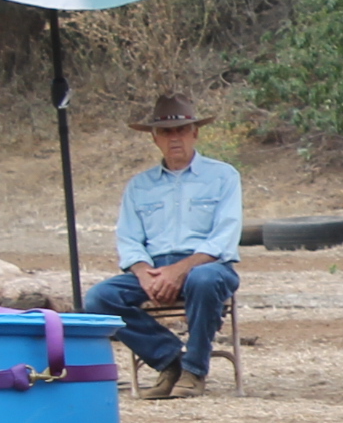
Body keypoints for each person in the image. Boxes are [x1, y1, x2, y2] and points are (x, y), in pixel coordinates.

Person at [87, 90, 241, 400]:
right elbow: (129, 240)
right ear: (154, 138)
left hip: (207, 266)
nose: (175, 139)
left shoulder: (223, 176)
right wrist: (145, 273)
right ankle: (170, 360)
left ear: (195, 133)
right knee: (99, 299)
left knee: (204, 279)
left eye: (182, 130)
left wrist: (180, 270)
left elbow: (224, 237)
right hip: (155, 272)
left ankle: (195, 370)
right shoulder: (139, 186)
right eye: (166, 132)